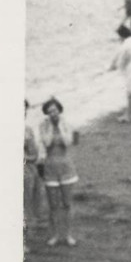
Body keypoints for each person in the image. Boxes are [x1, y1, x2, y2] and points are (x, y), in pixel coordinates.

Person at [39, 98, 78, 246]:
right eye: (49, 112)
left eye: (55, 110)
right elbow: (47, 143)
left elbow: (69, 142)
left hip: (66, 166)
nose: (52, 114)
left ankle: (68, 235)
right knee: (53, 205)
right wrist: (50, 127)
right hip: (50, 166)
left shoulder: (67, 123)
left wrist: (61, 126)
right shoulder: (42, 125)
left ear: (59, 110)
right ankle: (55, 235)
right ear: (46, 114)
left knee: (67, 203)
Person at [24, 100, 45, 241]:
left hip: (29, 170)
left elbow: (34, 153)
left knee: (29, 201)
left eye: (24, 109)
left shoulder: (28, 129)